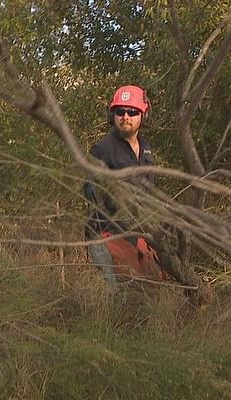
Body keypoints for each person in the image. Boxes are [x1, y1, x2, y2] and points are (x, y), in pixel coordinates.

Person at [83, 85, 164, 290]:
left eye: (132, 112)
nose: (125, 116)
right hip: (105, 234)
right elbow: (90, 190)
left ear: (143, 115)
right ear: (113, 116)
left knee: (147, 290)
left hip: (134, 234)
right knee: (113, 294)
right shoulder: (103, 149)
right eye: (120, 112)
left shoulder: (145, 148)